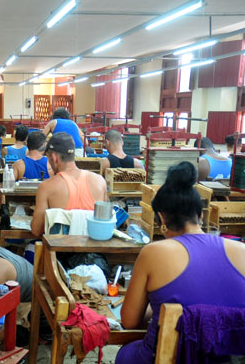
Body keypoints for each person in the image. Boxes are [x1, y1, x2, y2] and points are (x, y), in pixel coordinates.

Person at [116, 161, 245, 364]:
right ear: (201, 215)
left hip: (168, 357)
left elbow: (129, 321)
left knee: (126, 352)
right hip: (226, 359)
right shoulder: (241, 251)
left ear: (161, 217)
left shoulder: (153, 252)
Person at [31, 132, 107, 237]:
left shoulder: (46, 187)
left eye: (48, 159)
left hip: (59, 252)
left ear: (54, 157)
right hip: (94, 250)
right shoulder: (99, 181)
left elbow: (36, 230)